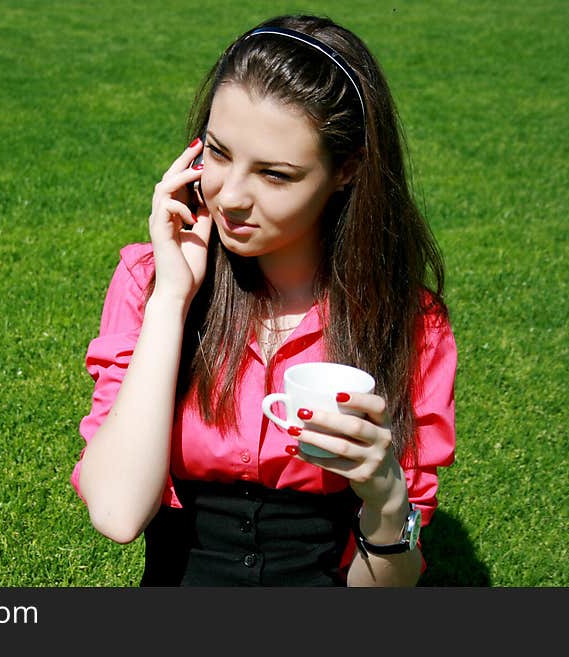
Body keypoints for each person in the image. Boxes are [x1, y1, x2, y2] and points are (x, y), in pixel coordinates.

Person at [71, 14, 456, 586]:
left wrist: (386, 499)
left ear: (345, 172)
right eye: (219, 154)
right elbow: (118, 512)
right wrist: (172, 300)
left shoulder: (407, 323)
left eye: (275, 175)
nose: (229, 197)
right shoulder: (151, 280)